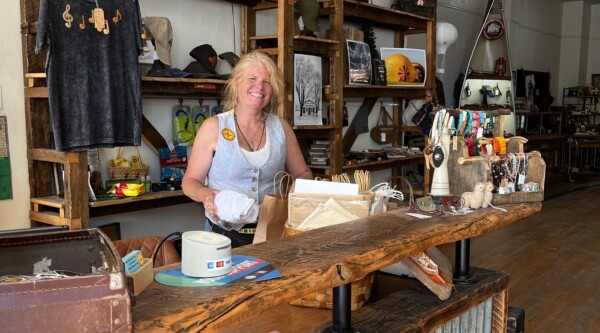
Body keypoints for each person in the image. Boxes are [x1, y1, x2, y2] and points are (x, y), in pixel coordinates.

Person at [182, 51, 313, 247]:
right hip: (222, 234)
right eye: (252, 78)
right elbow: (190, 182)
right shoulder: (213, 127)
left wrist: (294, 194)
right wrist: (205, 195)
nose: (259, 86)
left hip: (272, 231)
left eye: (267, 82)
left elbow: (303, 172)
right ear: (236, 84)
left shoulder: (282, 128)